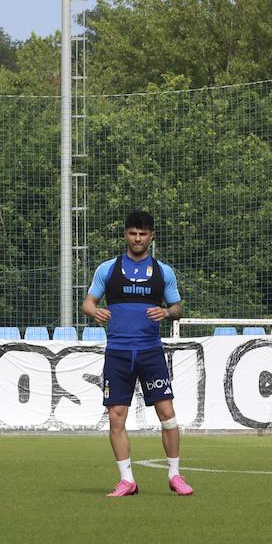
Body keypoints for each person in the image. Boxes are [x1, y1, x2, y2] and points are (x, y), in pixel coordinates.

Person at [81, 210, 193, 497]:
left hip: (150, 352)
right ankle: (127, 480)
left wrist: (167, 312)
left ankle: (175, 475)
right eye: (133, 233)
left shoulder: (163, 272)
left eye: (143, 234)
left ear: (151, 236)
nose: (138, 238)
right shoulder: (108, 269)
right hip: (118, 353)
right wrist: (96, 312)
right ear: (125, 236)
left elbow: (178, 307)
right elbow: (88, 303)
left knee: (167, 414)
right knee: (116, 416)